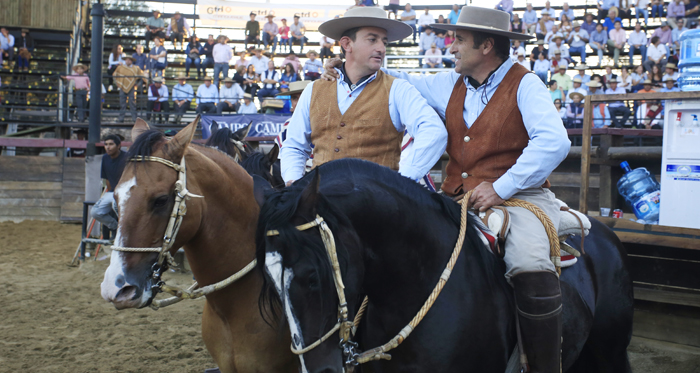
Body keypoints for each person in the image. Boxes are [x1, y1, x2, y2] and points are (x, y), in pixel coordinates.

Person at [325, 7, 570, 370]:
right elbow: (396, 77)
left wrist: (502, 187)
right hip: (456, 199)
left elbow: (554, 141)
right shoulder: (448, 83)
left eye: (458, 40)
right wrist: (344, 66)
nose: (450, 47)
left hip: (521, 199)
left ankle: (543, 366)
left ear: (486, 46)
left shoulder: (526, 83)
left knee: (528, 261)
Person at [283, 6, 448, 202]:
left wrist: (401, 182)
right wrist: (294, 183)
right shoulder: (314, 89)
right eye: (372, 40)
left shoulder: (398, 89)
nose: (381, 48)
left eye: (384, 42)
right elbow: (294, 145)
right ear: (347, 44)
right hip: (320, 205)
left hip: (374, 209)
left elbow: (434, 131)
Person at [91, 134, 127, 235]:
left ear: (119, 145)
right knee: (95, 212)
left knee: (116, 205)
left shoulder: (127, 158)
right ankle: (115, 227)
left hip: (125, 192)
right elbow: (107, 179)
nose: (108, 147)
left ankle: (123, 231)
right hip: (112, 192)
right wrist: (109, 193)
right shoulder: (105, 158)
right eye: (106, 144)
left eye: (111, 144)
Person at [113, 56, 146, 123]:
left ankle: (135, 119)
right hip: (122, 87)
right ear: (125, 60)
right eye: (127, 60)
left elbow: (142, 76)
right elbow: (114, 75)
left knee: (132, 103)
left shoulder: (136, 68)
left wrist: (138, 84)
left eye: (129, 60)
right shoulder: (120, 67)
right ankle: (121, 119)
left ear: (131, 61)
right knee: (122, 103)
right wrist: (116, 83)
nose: (128, 61)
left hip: (132, 87)